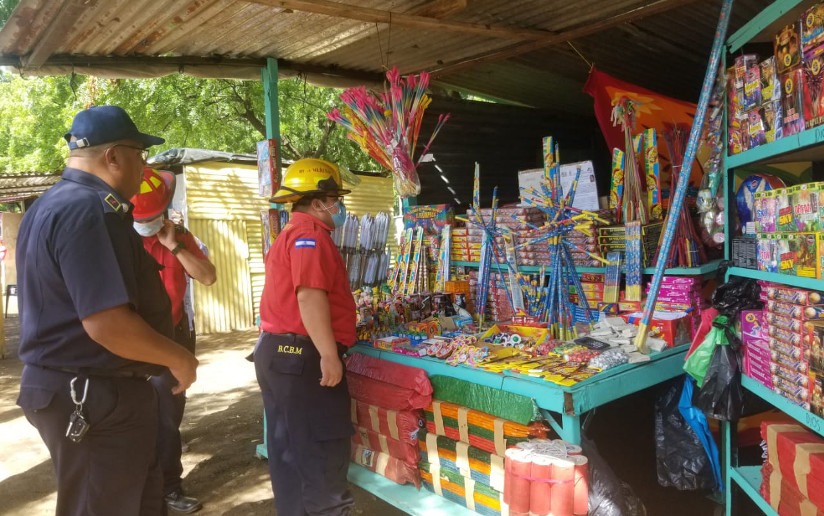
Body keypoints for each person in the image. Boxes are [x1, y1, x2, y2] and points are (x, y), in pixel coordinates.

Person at [15, 105, 199, 515]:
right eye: (139, 153)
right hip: (91, 394)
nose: (144, 165)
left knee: (136, 501)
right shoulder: (91, 209)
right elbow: (106, 323)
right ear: (114, 156)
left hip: (91, 389)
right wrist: (179, 358)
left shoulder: (51, 205)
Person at [255, 158, 356, 515]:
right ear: (317, 202)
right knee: (320, 458)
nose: (339, 208)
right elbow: (309, 295)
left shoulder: (290, 234)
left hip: (279, 355)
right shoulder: (309, 236)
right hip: (300, 358)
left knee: (291, 459)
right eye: (335, 200)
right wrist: (328, 355)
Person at [131, 167, 216, 514]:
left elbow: (207, 276)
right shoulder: (119, 239)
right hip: (136, 340)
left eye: (155, 215)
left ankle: (170, 488)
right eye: (144, 217)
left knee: (168, 418)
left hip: (175, 337)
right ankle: (141, 489)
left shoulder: (178, 236)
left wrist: (176, 246)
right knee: (136, 417)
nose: (150, 222)